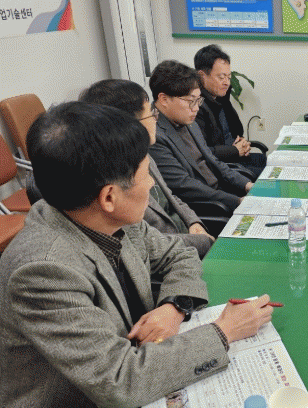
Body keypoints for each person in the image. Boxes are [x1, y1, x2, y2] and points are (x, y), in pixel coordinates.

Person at [0, 102, 273, 408]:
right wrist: (224, 332)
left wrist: (174, 307)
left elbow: (179, 254)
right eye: (145, 174)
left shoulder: (105, 217)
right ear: (109, 196)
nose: (151, 184)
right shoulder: (43, 270)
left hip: (127, 380)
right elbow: (119, 379)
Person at [79, 79, 214, 257]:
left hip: (186, 239)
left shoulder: (144, 155)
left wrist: (193, 222)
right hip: (171, 253)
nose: (155, 120)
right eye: (150, 114)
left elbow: (170, 196)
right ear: (128, 126)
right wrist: (204, 241)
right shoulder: (113, 178)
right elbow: (148, 245)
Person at [149, 60, 253, 217]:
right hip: (208, 207)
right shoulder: (154, 135)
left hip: (222, 192)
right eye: (191, 101)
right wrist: (237, 201)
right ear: (164, 99)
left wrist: (246, 185)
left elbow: (214, 161)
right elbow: (184, 185)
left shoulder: (188, 121)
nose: (196, 108)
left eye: (199, 100)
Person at [194, 45, 266, 179]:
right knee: (268, 175)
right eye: (221, 77)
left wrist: (242, 142)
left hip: (235, 158)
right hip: (222, 168)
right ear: (202, 76)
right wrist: (235, 150)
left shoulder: (221, 98)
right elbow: (203, 151)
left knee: (269, 163)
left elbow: (237, 131)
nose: (226, 83)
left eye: (228, 77)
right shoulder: (196, 107)